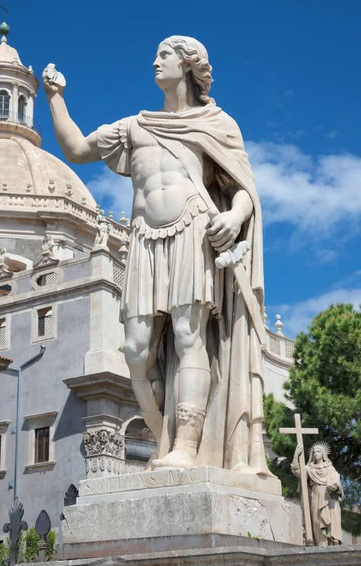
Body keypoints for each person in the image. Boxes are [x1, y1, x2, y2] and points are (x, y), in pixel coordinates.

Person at [43, 36, 272, 474]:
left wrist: (233, 218)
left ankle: (185, 445)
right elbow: (75, 149)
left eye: (163, 55)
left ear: (187, 65)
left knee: (189, 336)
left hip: (192, 231)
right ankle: (166, 432)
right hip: (145, 239)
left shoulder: (216, 123)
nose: (154, 61)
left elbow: (245, 189)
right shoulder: (135, 126)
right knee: (135, 348)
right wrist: (56, 99)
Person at [292, 443, 343, 546]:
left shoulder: (330, 468)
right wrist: (296, 456)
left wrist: (336, 486)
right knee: (316, 521)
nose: (315, 453)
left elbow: (337, 484)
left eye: (318, 451)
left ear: (323, 454)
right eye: (314, 451)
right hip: (315, 496)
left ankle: (331, 544)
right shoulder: (309, 468)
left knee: (331, 521)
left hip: (329, 498)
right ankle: (320, 545)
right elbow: (297, 472)